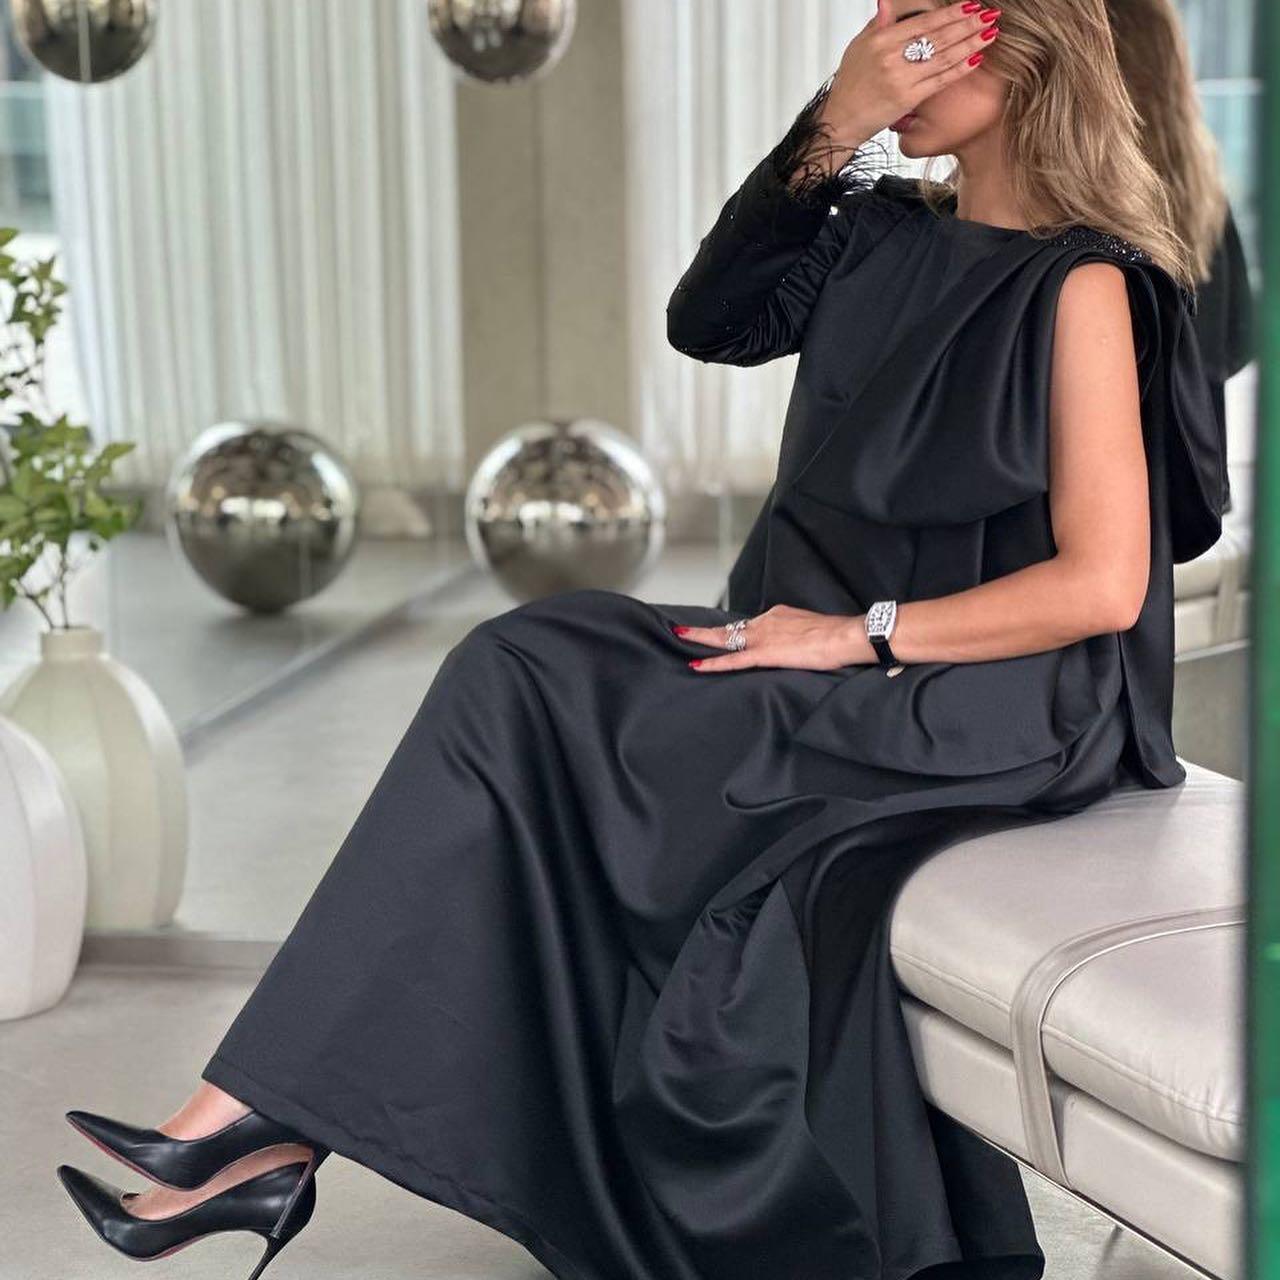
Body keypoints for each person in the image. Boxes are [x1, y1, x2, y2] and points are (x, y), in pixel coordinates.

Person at [54, 1, 1227, 1278]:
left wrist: (854, 637)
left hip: (994, 692)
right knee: (521, 661)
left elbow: (1099, 586)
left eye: (914, 26)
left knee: (558, 699)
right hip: (829, 644)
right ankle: (254, 1120)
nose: (883, 48)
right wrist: (831, 127)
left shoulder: (1086, 282)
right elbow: (706, 320)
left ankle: (250, 1129)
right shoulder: (879, 232)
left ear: (1015, 52)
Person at [1105, 0, 1256, 518]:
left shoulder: (1100, 195)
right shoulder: (1204, 180)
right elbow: (1238, 338)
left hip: (1122, 479)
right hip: (1194, 472)